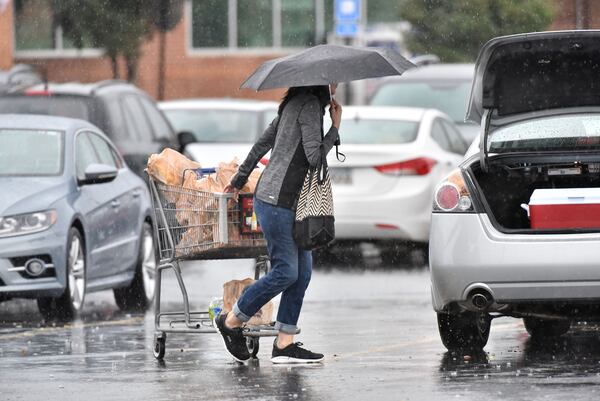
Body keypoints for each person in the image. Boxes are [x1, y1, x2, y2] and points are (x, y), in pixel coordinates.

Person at [214, 84, 342, 364]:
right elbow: (315, 158)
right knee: (286, 271)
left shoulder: (293, 103)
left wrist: (239, 180)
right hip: (277, 202)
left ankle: (285, 343)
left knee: (302, 272)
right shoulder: (308, 106)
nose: (337, 86)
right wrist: (334, 128)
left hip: (286, 203)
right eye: (334, 81)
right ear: (322, 82)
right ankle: (232, 320)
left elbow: (262, 143)